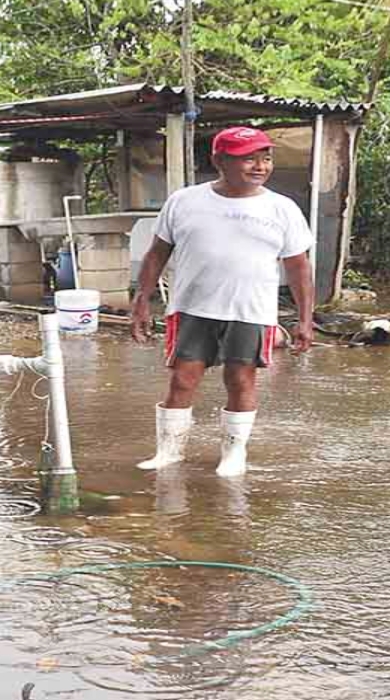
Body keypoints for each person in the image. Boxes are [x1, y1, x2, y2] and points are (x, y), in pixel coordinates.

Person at [130, 125, 316, 477]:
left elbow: (299, 268)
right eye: (249, 159)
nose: (260, 166)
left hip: (251, 311)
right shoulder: (184, 201)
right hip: (191, 309)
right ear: (219, 160)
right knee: (181, 381)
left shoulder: (282, 208)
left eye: (266, 157)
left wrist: (305, 319)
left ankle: (234, 454)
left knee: (241, 380)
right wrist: (142, 299)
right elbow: (156, 254)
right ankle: (169, 452)